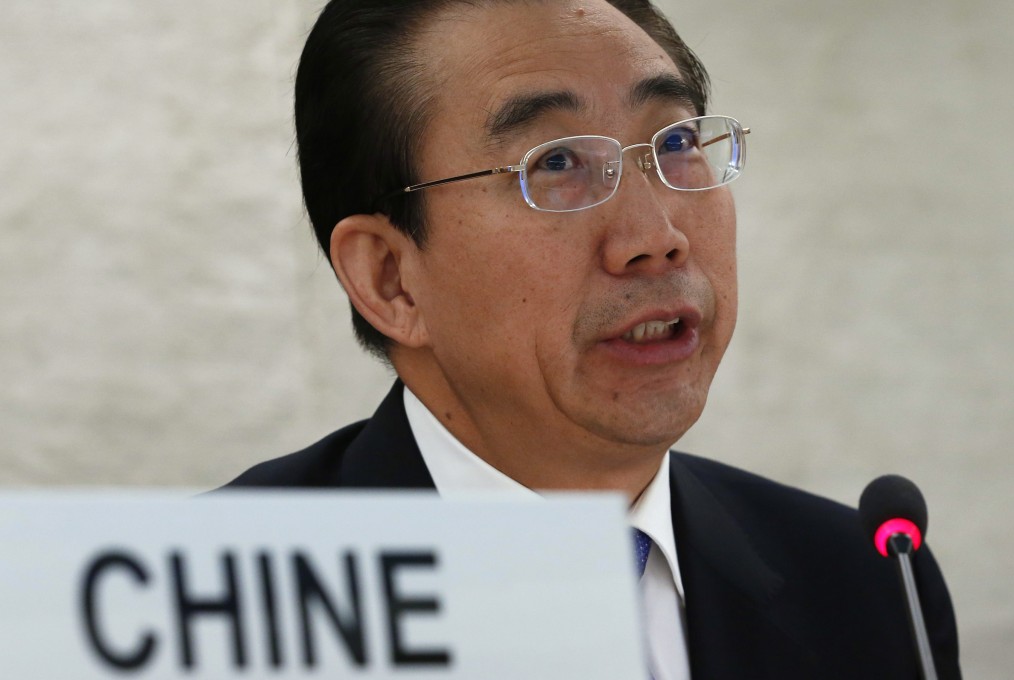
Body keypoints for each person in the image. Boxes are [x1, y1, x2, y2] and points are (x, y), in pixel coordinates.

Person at [224, 0, 962, 677]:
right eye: (556, 164)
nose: (655, 236)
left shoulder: (867, 584)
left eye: (675, 142)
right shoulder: (214, 615)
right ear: (390, 278)